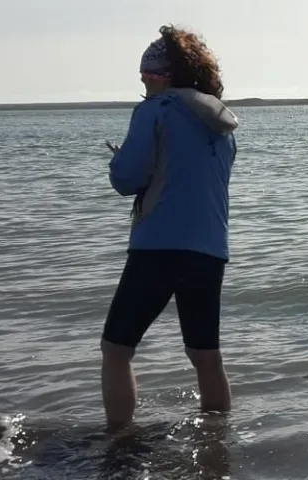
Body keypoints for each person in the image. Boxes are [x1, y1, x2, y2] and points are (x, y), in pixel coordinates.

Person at [99, 24, 239, 430]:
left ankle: (120, 442)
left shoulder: (154, 110)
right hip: (210, 250)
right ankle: (217, 441)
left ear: (164, 75)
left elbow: (126, 179)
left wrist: (120, 159)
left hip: (158, 246)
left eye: (147, 75)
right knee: (205, 354)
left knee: (116, 348)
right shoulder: (222, 123)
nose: (144, 83)